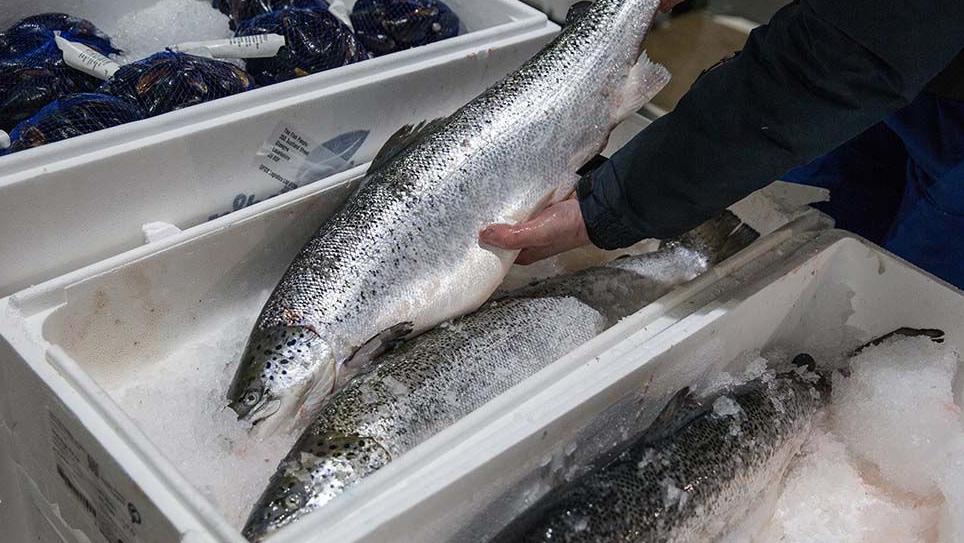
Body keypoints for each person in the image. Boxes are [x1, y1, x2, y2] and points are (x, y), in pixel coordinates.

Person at [480, 0, 964, 288]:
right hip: (885, 54)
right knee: (783, 239)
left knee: (893, 303)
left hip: (877, 59)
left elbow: (834, 65)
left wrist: (610, 205)